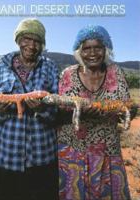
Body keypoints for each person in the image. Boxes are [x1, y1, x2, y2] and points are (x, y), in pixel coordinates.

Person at [0, 18, 59, 200]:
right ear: (18, 39)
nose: (31, 45)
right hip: (5, 156)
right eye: (27, 38)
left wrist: (42, 109)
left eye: (37, 41)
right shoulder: (1, 68)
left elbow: (59, 108)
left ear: (42, 44)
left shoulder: (49, 67)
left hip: (42, 157)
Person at [58, 25, 132, 200]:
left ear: (105, 49)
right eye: (87, 48)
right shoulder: (68, 75)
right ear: (79, 52)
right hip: (73, 150)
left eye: (98, 47)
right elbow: (59, 112)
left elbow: (127, 109)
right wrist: (84, 111)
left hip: (107, 150)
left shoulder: (116, 73)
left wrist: (115, 110)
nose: (92, 53)